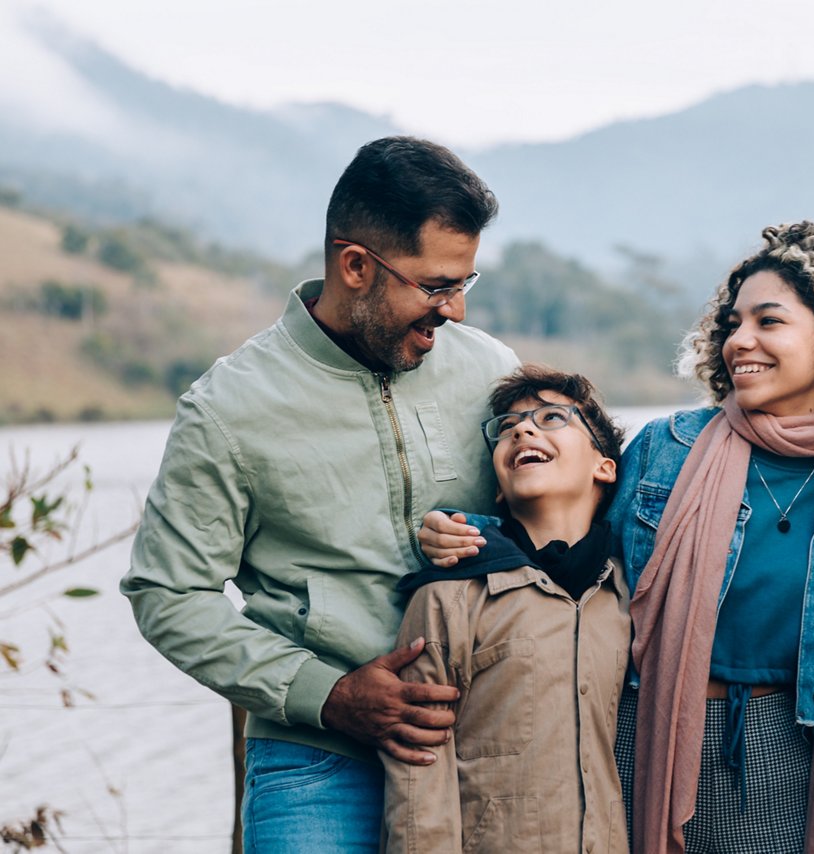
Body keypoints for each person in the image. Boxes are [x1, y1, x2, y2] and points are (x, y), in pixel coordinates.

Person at [422, 221, 814, 853]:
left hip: (788, 745)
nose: (741, 341)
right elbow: (566, 545)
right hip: (647, 725)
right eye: (733, 324)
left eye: (769, 322)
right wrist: (470, 535)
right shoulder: (669, 449)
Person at [120, 136, 520, 852]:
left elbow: (551, 530)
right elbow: (167, 593)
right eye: (435, 287)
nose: (455, 312)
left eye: (465, 284)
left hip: (483, 745)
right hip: (315, 760)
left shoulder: (492, 371)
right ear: (356, 266)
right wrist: (326, 695)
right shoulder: (229, 406)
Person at [383, 365, 631, 853]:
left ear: (604, 466)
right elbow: (417, 778)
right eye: (507, 427)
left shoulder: (627, 595)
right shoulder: (448, 598)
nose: (522, 429)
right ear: (498, 485)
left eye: (553, 417)